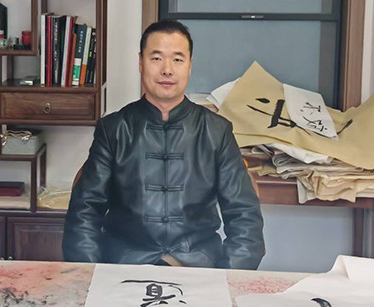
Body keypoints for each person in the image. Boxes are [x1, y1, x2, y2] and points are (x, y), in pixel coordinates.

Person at [63, 19, 265, 269]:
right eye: (156, 58)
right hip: (126, 265)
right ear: (141, 63)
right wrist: (89, 276)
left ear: (189, 65)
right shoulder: (114, 129)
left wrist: (227, 279)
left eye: (177, 59)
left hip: (199, 266)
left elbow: (244, 218)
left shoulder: (217, 131)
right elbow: (85, 213)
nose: (167, 70)